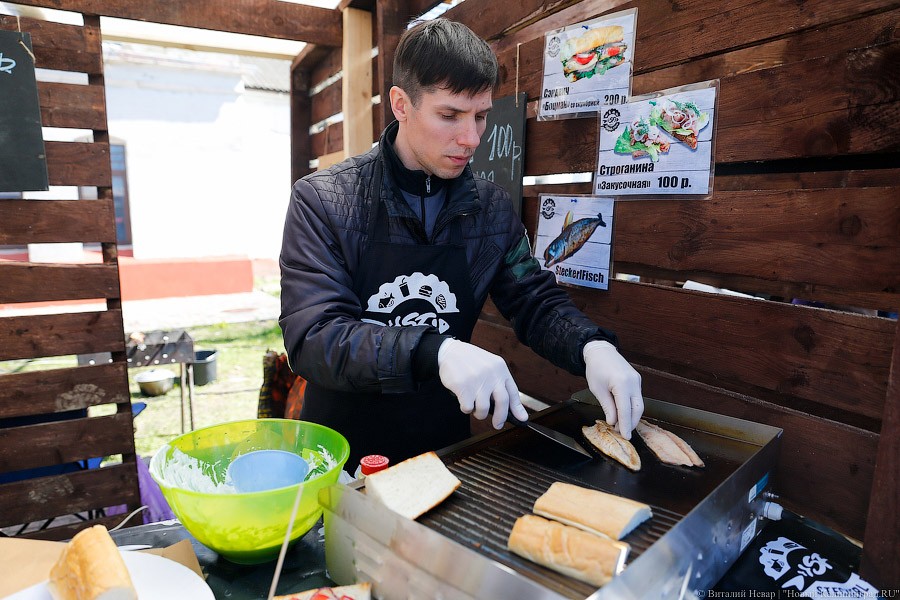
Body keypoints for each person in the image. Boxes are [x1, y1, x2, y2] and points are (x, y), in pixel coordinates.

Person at [279, 18, 642, 470]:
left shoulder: (489, 208)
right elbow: (315, 337)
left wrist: (592, 347)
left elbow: (533, 299)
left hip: (442, 450)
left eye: (481, 116)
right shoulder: (325, 200)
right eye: (449, 116)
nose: (470, 138)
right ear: (401, 105)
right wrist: (438, 350)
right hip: (340, 455)